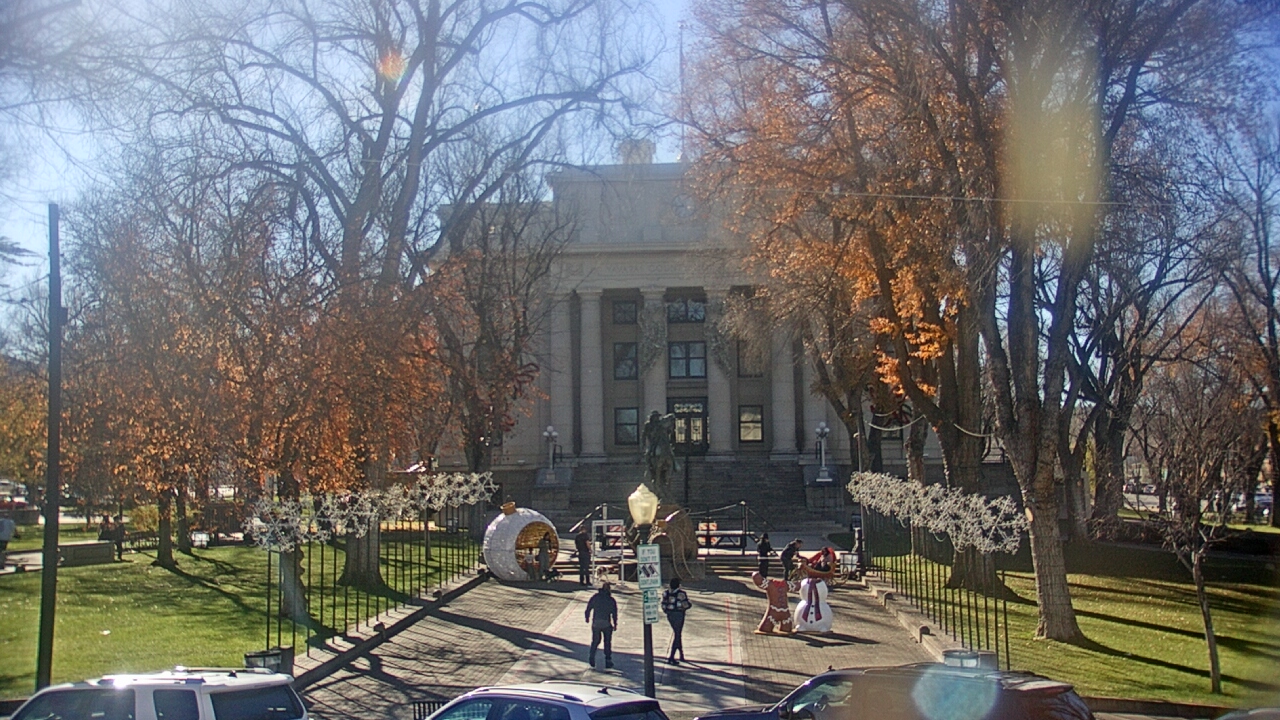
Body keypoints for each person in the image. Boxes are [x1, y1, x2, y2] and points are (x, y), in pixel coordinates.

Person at [584, 581, 618, 669]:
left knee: (595, 641)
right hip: (606, 623)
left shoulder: (595, 597)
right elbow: (614, 613)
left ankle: (592, 656)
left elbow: (588, 607)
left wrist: (587, 617)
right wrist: (615, 623)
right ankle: (608, 660)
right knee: (607, 642)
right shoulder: (611, 600)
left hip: (596, 622)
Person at [661, 577, 692, 664]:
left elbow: (663, 605)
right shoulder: (681, 594)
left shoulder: (666, 593)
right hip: (679, 615)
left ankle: (681, 655)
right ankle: (671, 657)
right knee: (677, 635)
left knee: (677, 633)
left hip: (670, 616)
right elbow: (687, 605)